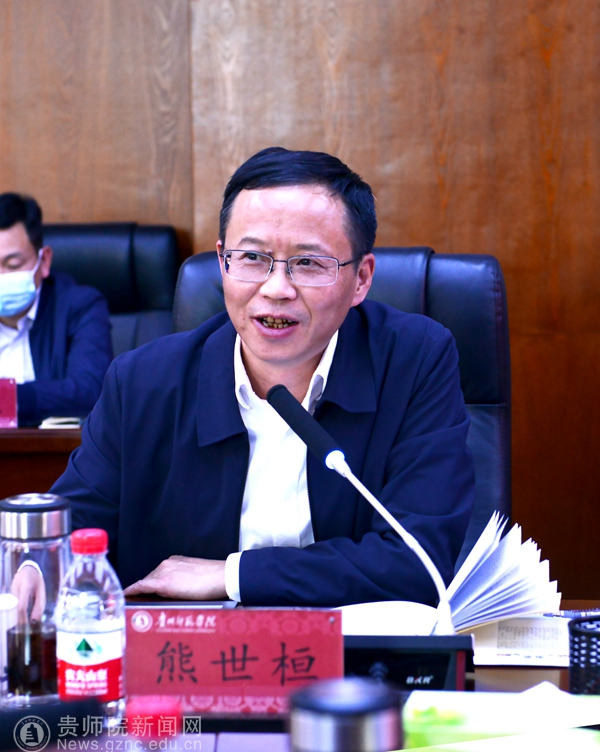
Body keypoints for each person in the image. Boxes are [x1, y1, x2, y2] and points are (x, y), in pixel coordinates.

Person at [51, 148, 475, 608]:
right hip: (191, 649)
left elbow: (418, 561)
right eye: (252, 257)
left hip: (354, 649)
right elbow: (70, 532)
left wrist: (233, 575)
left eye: (308, 263)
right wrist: (33, 566)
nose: (276, 289)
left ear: (361, 279)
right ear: (222, 262)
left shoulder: (414, 362)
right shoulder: (142, 382)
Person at [0, 193, 112, 426]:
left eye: (12, 265)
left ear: (44, 261)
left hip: (56, 447)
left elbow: (90, 391)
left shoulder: (81, 306)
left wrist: (8, 399)